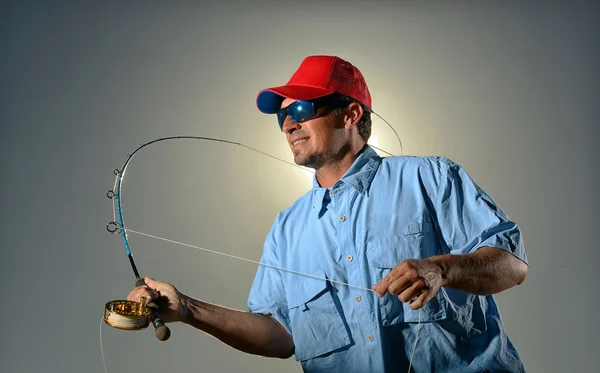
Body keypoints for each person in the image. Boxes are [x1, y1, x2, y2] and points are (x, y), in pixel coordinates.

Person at [127, 55, 528, 372]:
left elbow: (512, 266)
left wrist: (441, 269)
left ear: (350, 114)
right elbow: (280, 336)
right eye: (281, 115)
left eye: (301, 109)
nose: (288, 124)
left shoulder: (432, 177)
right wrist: (188, 310)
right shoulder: (286, 229)